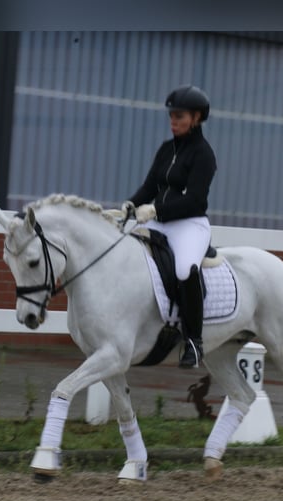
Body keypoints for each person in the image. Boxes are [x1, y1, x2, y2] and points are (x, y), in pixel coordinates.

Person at [124, 84, 217, 368]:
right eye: (172, 117)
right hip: (160, 221)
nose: (173, 122)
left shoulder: (203, 154)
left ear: (197, 117)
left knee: (184, 268)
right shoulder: (166, 149)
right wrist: (130, 205)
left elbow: (195, 200)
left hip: (189, 224)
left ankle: (193, 340)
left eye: (180, 117)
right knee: (124, 250)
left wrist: (156, 209)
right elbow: (150, 185)